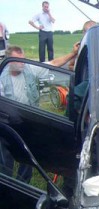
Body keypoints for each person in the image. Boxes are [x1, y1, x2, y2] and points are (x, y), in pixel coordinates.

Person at [0, 44, 79, 183]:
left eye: (23, 59)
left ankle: (24, 182)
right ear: (9, 62)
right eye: (18, 60)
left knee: (28, 153)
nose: (22, 63)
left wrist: (73, 54)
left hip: (26, 119)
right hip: (7, 121)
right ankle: (6, 183)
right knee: (6, 155)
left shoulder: (29, 68)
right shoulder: (2, 78)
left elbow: (53, 63)